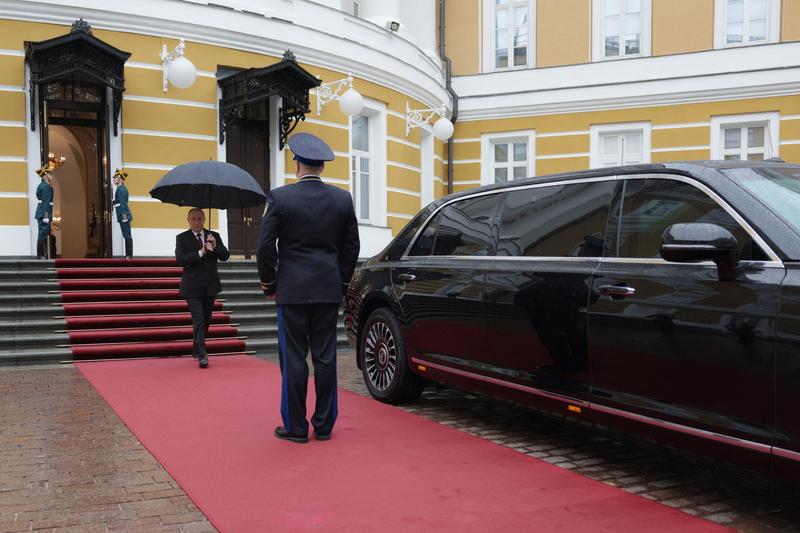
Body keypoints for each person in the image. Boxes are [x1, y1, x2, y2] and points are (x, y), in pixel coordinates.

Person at [257, 132, 360, 443]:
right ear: (322, 167)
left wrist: (269, 282)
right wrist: (340, 281)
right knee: (326, 358)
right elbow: (351, 246)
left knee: (293, 358)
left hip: (292, 290)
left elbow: (264, 247)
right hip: (328, 289)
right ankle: (325, 426)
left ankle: (296, 427)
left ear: (297, 164)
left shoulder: (280, 197)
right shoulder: (342, 199)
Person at [175, 208, 230, 368]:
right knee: (198, 320)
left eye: (199, 219)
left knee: (206, 320)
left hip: (210, 285)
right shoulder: (182, 238)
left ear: (204, 219)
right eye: (193, 219)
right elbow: (180, 259)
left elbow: (225, 256)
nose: (197, 222)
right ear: (188, 220)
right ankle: (202, 354)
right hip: (192, 287)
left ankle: (196, 347)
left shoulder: (214, 235)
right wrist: (201, 252)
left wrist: (215, 245)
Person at [112, 168, 134, 258]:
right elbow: (119, 202)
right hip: (122, 215)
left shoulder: (121, 189)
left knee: (127, 235)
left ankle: (129, 256)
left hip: (123, 215)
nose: (114, 179)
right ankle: (128, 255)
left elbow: (123, 204)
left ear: (120, 178)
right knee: (126, 235)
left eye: (115, 177)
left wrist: (124, 217)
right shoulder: (121, 189)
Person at [34, 165, 54, 260]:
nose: (52, 176)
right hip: (44, 213)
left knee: (43, 233)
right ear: (45, 175)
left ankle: (43, 254)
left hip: (41, 212)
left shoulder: (41, 185)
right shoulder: (46, 187)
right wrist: (47, 216)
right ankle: (41, 255)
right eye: (50, 174)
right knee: (42, 233)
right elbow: (46, 203)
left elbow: (38, 196)